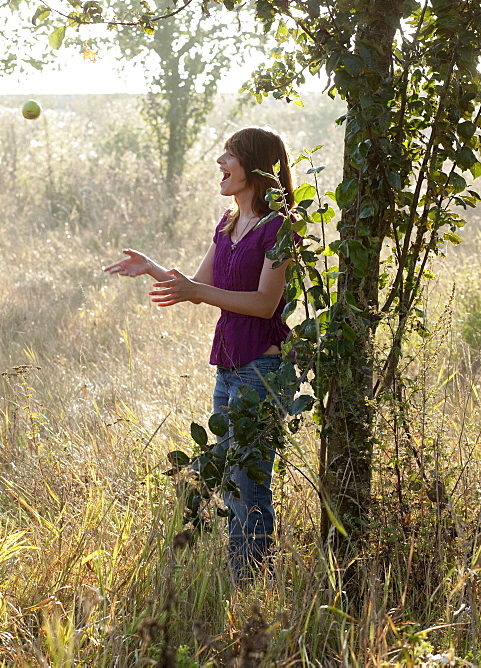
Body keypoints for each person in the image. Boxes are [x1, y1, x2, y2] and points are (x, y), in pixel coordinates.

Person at [103, 126, 296, 583]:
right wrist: (151, 267)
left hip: (262, 368)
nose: (220, 163)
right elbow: (196, 286)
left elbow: (264, 303)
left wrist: (196, 291)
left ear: (255, 165)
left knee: (250, 486)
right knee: (234, 481)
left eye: (229, 155)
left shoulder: (280, 227)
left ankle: (252, 585)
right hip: (229, 367)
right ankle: (243, 581)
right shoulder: (228, 223)